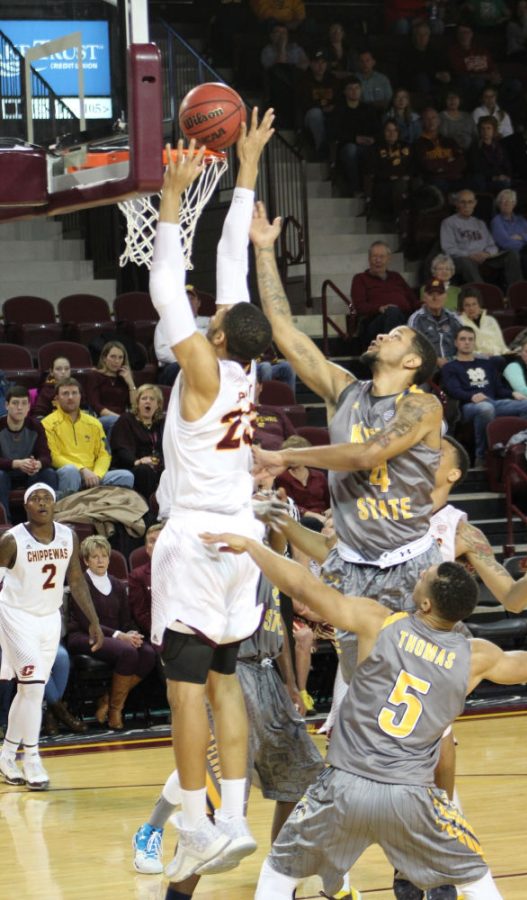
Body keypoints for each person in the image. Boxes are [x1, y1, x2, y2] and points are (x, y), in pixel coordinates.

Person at [200, 531, 527, 900]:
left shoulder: (378, 622)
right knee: (477, 883)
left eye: (425, 576)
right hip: (411, 796)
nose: (419, 574)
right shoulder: (477, 656)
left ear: (425, 604)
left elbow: (305, 585)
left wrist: (253, 547)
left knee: (277, 875)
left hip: (344, 785)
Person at [148, 109, 275, 881]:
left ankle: (196, 824)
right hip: (243, 543)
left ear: (220, 336)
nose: (215, 309)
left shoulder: (201, 369)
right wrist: (245, 171)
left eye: (219, 316)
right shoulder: (247, 368)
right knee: (226, 679)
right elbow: (231, 264)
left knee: (185, 690)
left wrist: (170, 199)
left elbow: (167, 282)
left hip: (196, 539)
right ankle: (232, 816)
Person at [251, 200, 444, 686]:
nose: (383, 334)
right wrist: (264, 252)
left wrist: (285, 455)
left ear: (413, 362)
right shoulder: (345, 391)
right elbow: (285, 331)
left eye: (397, 335)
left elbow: (366, 454)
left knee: (422, 695)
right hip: (353, 564)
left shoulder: (422, 407)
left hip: (409, 563)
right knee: (363, 685)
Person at [131, 573, 323, 883]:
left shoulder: (269, 554)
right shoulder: (222, 553)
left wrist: (290, 683)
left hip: (266, 672)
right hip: (227, 670)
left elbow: (280, 623)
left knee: (299, 774)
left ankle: (277, 877)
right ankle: (154, 833)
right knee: (212, 788)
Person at [0, 484, 103, 790]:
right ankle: (32, 758)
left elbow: (76, 580)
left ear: (55, 504)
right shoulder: (11, 540)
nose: (42, 502)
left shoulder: (68, 536)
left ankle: (6, 755)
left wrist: (94, 621)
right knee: (31, 689)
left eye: (47, 498)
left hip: (49, 619)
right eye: (35, 498)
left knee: (30, 691)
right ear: (26, 506)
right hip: (16, 616)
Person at [67, 535, 155, 730]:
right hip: (84, 636)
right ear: (86, 560)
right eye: (95, 556)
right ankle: (116, 710)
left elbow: (125, 620)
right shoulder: (80, 583)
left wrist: (131, 633)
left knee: (148, 653)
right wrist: (120, 636)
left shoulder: (116, 584)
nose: (100, 561)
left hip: (114, 636)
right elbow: (86, 622)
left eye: (104, 556)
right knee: (127, 652)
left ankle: (107, 700)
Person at [441, 326, 527, 466]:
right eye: (463, 339)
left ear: (474, 342)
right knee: (485, 408)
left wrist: (512, 393)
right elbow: (453, 390)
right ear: (456, 343)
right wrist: (471, 396)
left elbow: (498, 389)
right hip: (468, 407)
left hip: (494, 403)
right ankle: (481, 457)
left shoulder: (486, 364)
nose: (467, 342)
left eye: (470, 339)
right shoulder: (450, 367)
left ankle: (511, 446)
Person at [42, 378, 134, 498]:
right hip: (69, 474)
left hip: (93, 475)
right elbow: (53, 457)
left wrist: (97, 475)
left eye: (74, 393)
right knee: (70, 470)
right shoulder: (47, 423)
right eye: (65, 393)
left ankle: (107, 512)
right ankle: (69, 513)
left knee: (126, 476)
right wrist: (82, 470)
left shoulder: (94, 423)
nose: (70, 397)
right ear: (57, 399)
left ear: (80, 396)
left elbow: (104, 454)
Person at [440, 189, 522, 287]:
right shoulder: (448, 222)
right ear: (457, 204)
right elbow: (448, 249)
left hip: (484, 258)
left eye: (470, 202)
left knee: (511, 254)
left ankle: (516, 290)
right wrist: (469, 255)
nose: (466, 205)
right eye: (463, 202)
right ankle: (483, 293)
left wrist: (486, 253)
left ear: (475, 203)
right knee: (467, 263)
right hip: (463, 259)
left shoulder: (480, 223)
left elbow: (492, 246)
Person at [0, 386, 58, 523]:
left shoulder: (35, 425)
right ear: (6, 405)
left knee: (48, 473)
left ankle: (46, 520)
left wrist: (38, 464)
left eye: (24, 403)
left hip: (29, 473)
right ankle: (4, 522)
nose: (19, 408)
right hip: (6, 473)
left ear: (29, 407)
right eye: (15, 403)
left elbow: (46, 456)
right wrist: (16, 463)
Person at [350, 240, 419, 348]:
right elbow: (359, 306)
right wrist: (379, 308)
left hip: (404, 318)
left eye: (382, 257)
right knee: (392, 312)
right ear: (369, 258)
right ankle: (391, 350)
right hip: (375, 323)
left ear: (388, 259)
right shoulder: (360, 279)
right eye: (374, 256)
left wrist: (426, 306)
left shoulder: (396, 277)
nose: (378, 260)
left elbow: (413, 300)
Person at [109, 383, 165, 501]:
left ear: (158, 405)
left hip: (157, 465)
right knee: (144, 470)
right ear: (138, 403)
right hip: (132, 465)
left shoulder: (162, 423)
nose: (147, 402)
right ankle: (146, 510)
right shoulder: (126, 420)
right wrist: (137, 461)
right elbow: (121, 449)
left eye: (152, 399)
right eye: (144, 398)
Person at [330, 78, 380, 197]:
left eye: (357, 88)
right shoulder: (339, 109)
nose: (354, 91)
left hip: (367, 144)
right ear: (345, 92)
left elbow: (378, 130)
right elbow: (334, 132)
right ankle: (355, 188)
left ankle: (372, 193)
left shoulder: (369, 109)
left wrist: (372, 139)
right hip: (346, 146)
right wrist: (355, 138)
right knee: (351, 150)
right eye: (350, 89)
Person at [364, 121, 414, 240]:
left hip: (404, 183)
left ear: (398, 132)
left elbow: (413, 167)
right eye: (388, 130)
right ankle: (400, 224)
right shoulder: (375, 148)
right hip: (383, 184)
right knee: (397, 189)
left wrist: (405, 175)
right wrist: (389, 176)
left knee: (401, 186)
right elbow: (371, 169)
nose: (391, 133)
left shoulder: (407, 147)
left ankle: (401, 225)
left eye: (394, 130)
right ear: (383, 132)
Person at [154, 284, 210, 386]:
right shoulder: (166, 321)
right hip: (175, 366)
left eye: (192, 298)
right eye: (184, 298)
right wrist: (189, 357)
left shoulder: (209, 323)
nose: (188, 302)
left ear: (198, 303)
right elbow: (162, 352)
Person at [490, 188, 527, 283]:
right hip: (513, 254)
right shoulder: (497, 221)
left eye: (510, 201)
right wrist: (526, 241)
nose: (507, 203)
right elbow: (505, 242)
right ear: (498, 204)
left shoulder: (520, 219)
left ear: (514, 204)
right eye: (503, 200)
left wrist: (521, 236)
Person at [85, 341, 138, 439]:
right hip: (101, 419)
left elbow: (135, 406)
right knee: (115, 423)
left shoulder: (125, 378)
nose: (116, 361)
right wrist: (121, 419)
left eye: (120, 357)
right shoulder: (94, 376)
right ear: (105, 358)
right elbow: (96, 405)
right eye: (113, 357)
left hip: (123, 420)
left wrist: (131, 383)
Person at [408, 278, 463, 370]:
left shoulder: (453, 318)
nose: (435, 298)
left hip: (454, 365)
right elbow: (412, 347)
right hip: (427, 367)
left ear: (445, 296)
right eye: (431, 294)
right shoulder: (416, 319)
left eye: (439, 294)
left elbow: (465, 341)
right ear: (424, 297)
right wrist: (435, 360)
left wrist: (452, 360)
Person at [413, 107, 468, 195]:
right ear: (422, 122)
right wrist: (449, 161)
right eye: (427, 119)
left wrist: (440, 166)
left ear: (438, 120)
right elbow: (427, 166)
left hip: (455, 179)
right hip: (435, 181)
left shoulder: (449, 141)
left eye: (434, 117)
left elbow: (461, 162)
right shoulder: (418, 144)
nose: (431, 121)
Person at [295, 49, 339, 159]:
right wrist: (321, 108)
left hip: (331, 113)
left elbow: (339, 99)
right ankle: (321, 148)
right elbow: (303, 103)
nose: (320, 66)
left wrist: (333, 107)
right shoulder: (304, 80)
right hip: (310, 115)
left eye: (323, 63)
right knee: (316, 113)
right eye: (317, 63)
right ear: (311, 64)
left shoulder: (332, 79)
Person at [274, 435, 330, 519]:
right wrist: (315, 516)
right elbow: (289, 506)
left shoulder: (319, 475)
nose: (292, 459)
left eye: (295, 455)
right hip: (301, 519)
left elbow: (330, 500)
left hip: (325, 516)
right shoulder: (282, 478)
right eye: (289, 455)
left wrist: (331, 510)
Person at [127, 523, 164, 640]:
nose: (157, 545)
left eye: (161, 540)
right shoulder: (138, 576)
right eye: (152, 541)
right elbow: (141, 615)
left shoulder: (184, 572)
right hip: (157, 634)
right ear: (147, 549)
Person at [457, 285, 508, 356]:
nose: (471, 308)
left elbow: (502, 346)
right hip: (476, 359)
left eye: (474, 304)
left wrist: (509, 353)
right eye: (467, 305)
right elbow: (462, 350)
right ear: (462, 307)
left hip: (498, 357)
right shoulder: (459, 322)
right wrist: (482, 355)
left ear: (479, 305)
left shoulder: (491, 320)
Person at [468, 115, 512, 195]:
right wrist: (494, 177)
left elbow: (506, 164)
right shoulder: (475, 147)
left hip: (500, 177)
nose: (485, 131)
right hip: (485, 179)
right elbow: (477, 168)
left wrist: (505, 175)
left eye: (488, 128)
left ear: (493, 130)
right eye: (483, 128)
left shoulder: (499, 147)